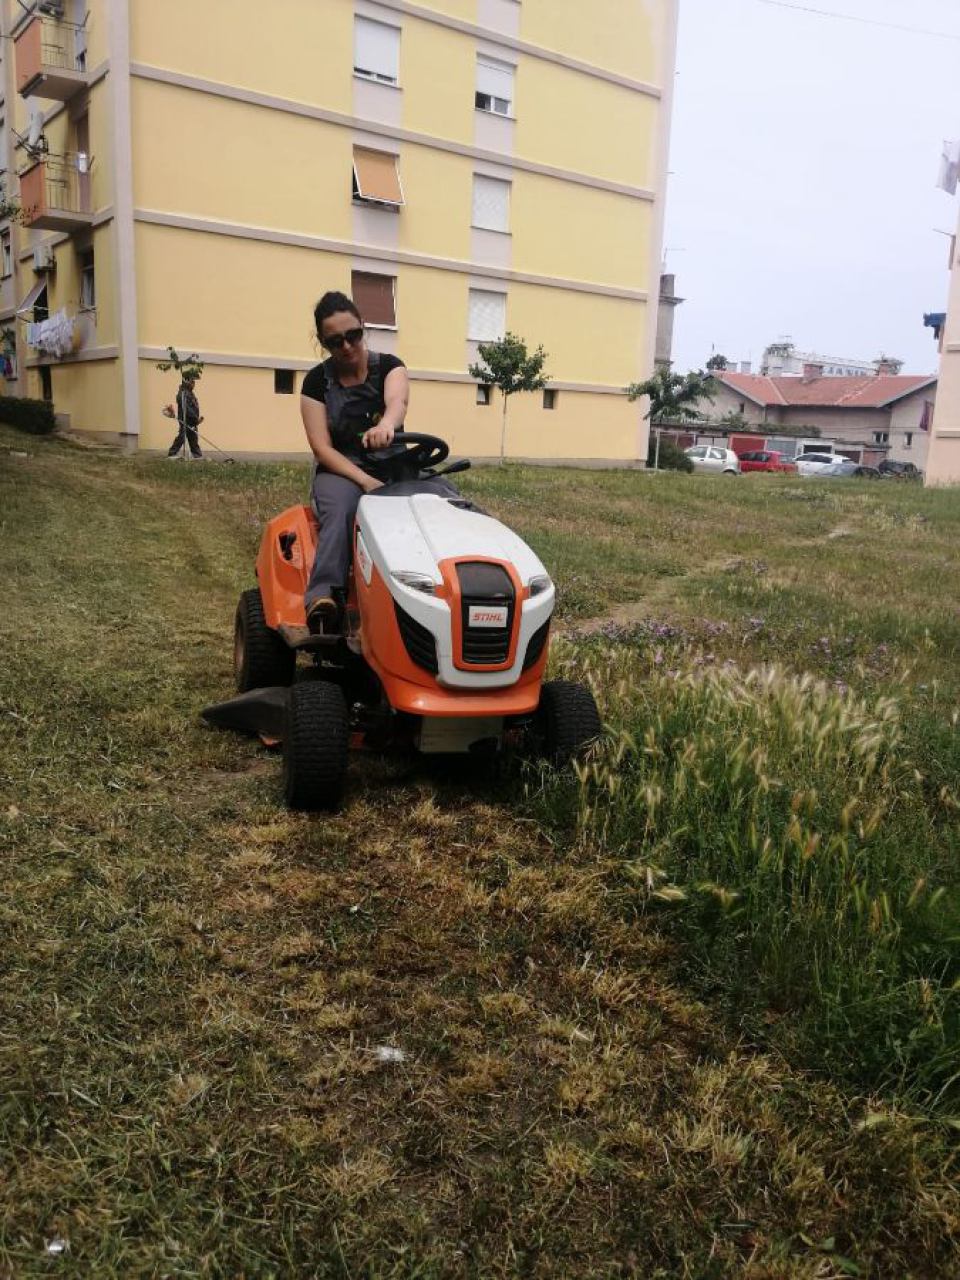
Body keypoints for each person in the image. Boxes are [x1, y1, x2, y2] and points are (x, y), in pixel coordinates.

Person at [300, 290, 409, 634]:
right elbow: (321, 448)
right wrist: (363, 481)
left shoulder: (390, 366)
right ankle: (324, 597)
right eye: (335, 342)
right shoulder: (316, 382)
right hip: (341, 470)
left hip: (391, 462)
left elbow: (397, 402)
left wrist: (386, 424)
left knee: (443, 501)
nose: (347, 346)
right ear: (323, 343)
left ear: (363, 327)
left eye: (353, 335)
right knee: (343, 510)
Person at [166, 372, 203, 459]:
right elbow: (186, 408)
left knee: (193, 438)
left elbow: (193, 406)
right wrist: (195, 418)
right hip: (185, 419)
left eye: (194, 382)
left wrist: (196, 420)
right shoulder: (183, 394)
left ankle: (197, 455)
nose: (194, 384)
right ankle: (172, 453)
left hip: (192, 421)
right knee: (182, 436)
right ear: (187, 382)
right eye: (192, 382)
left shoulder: (190, 393)